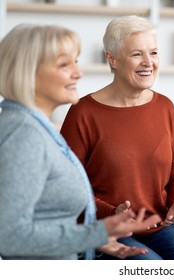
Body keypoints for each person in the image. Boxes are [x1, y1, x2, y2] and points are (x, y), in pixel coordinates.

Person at [0, 23, 162, 260]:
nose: (78, 72)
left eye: (76, 61)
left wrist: (96, 239)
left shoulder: (33, 126)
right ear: (29, 72)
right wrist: (97, 232)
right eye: (65, 65)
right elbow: (9, 237)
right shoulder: (24, 134)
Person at [60, 15, 174, 260]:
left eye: (154, 53)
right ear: (112, 59)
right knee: (149, 266)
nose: (148, 63)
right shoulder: (83, 112)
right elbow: (67, 188)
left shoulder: (165, 107)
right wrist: (111, 212)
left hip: (156, 225)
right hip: (107, 229)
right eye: (137, 54)